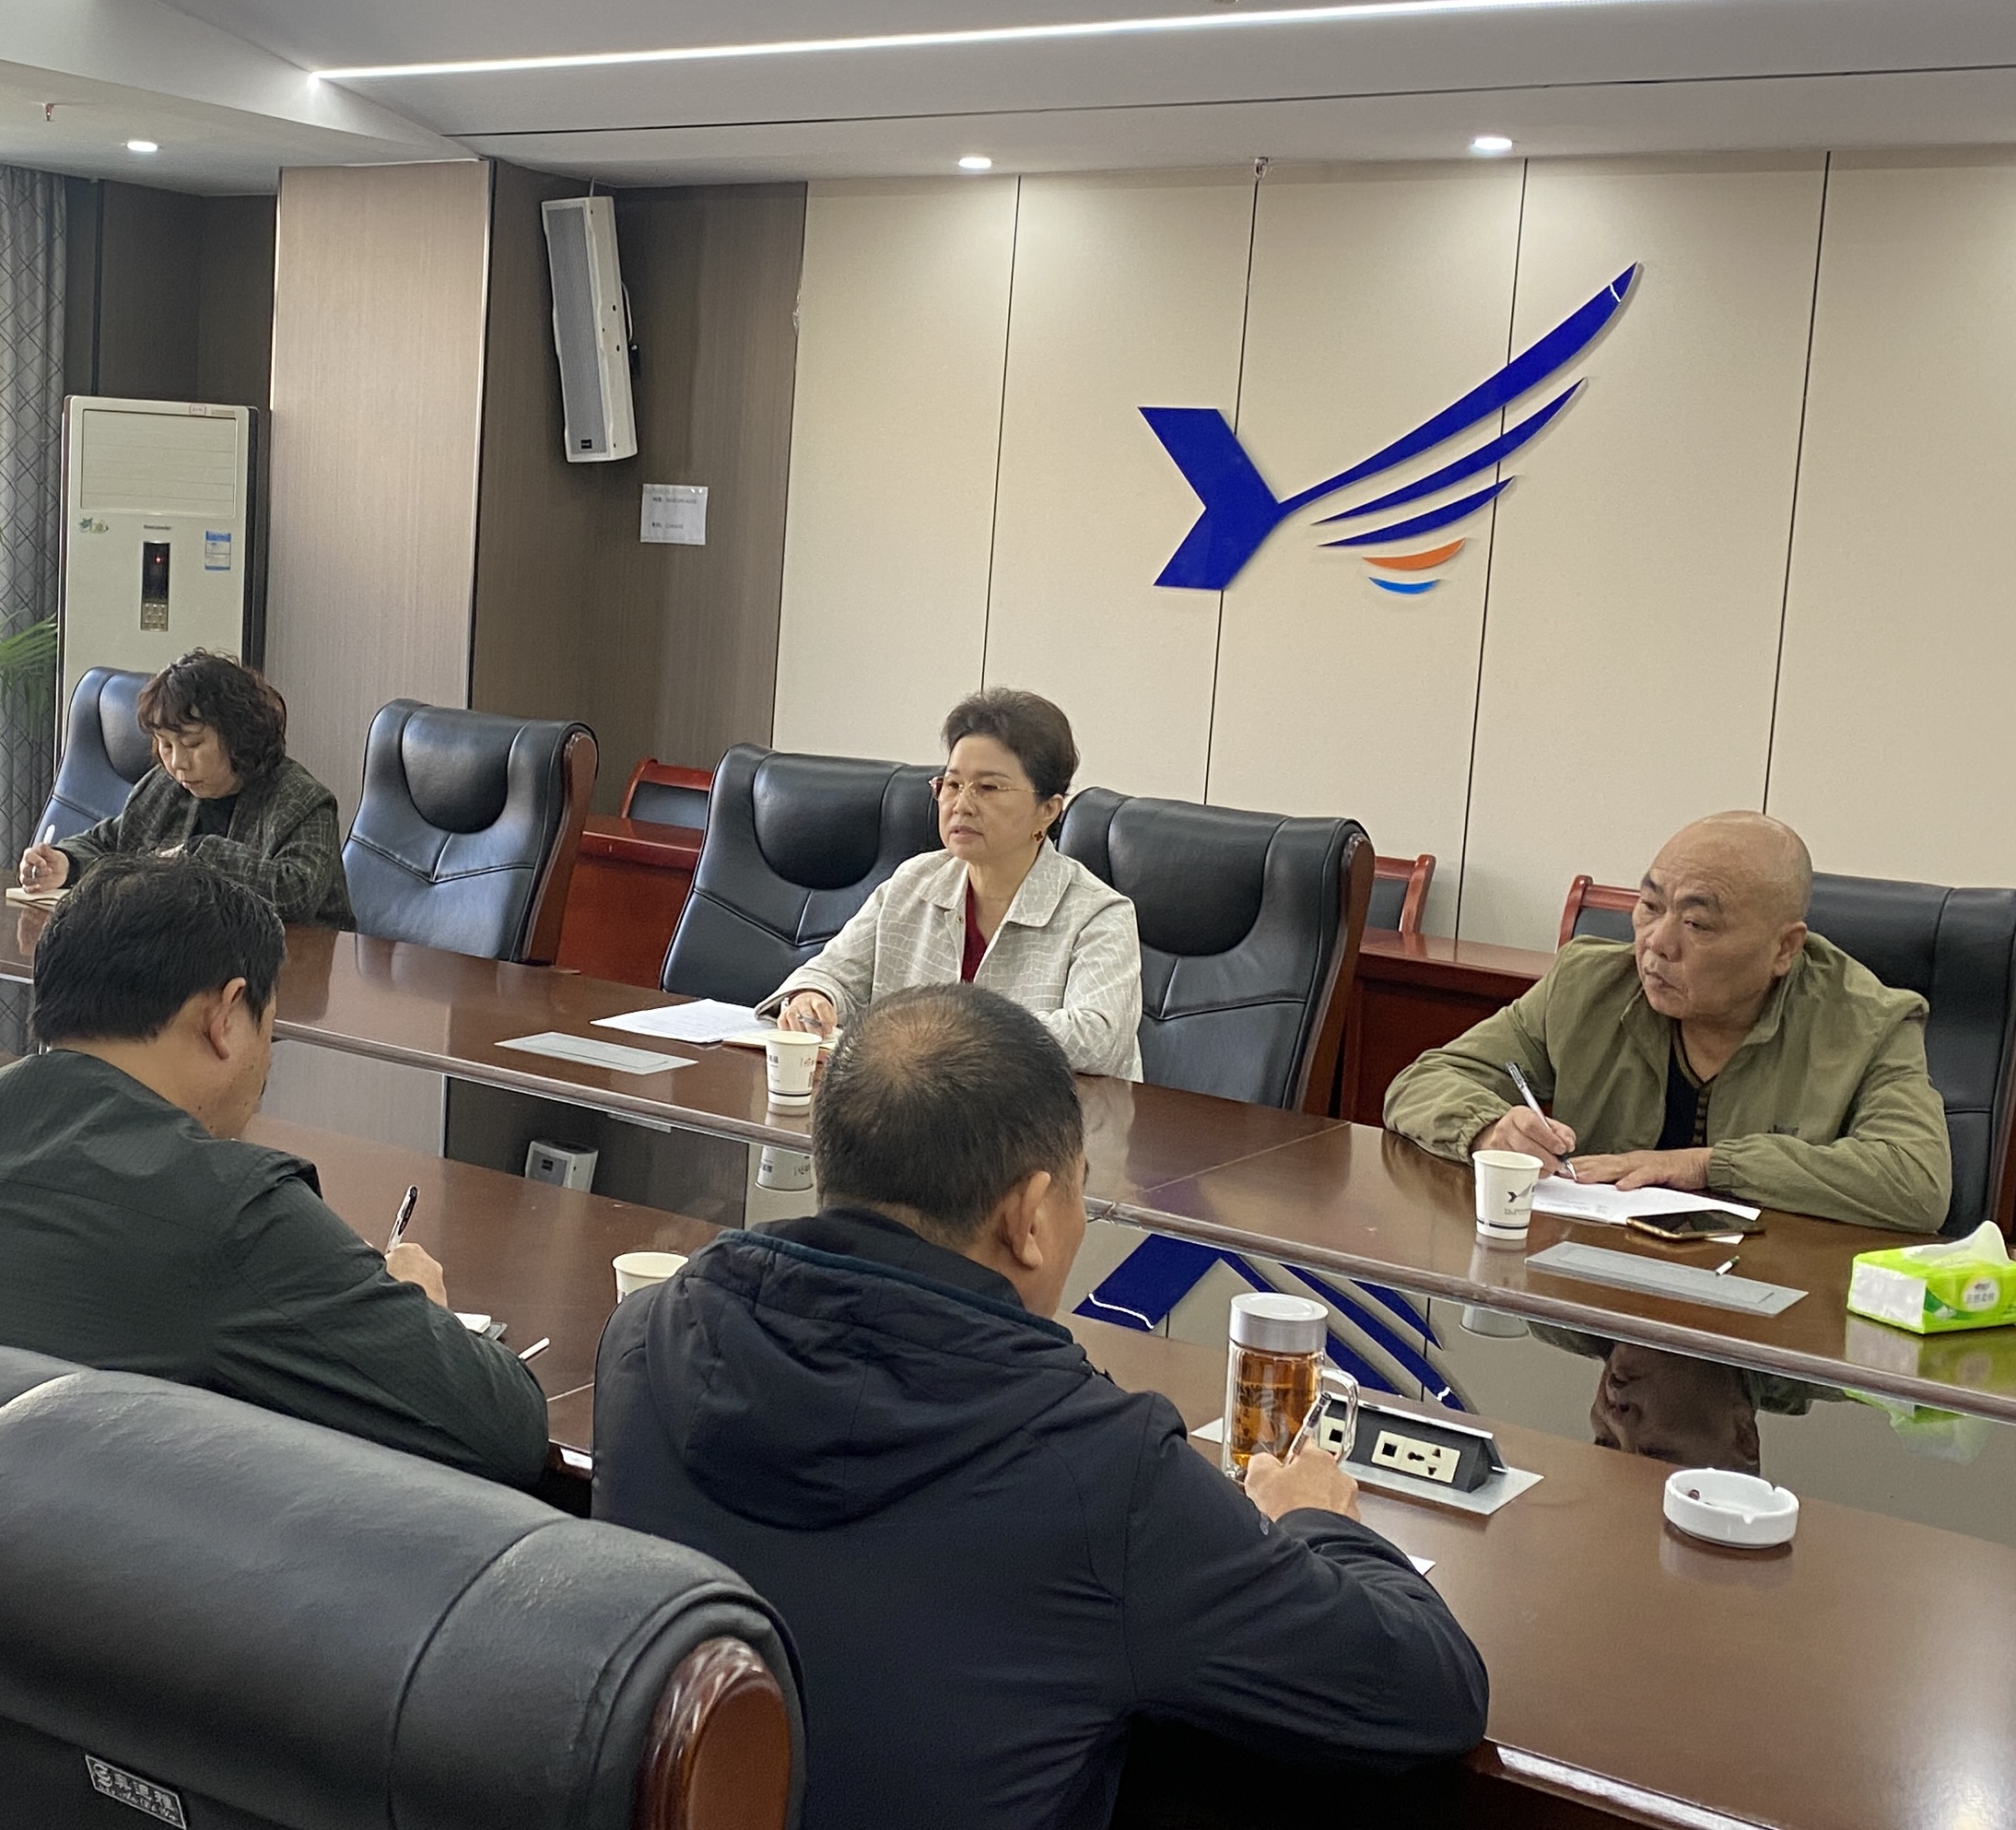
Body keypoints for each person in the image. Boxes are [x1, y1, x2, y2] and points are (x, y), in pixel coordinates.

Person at [0, 856, 544, 1828]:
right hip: (31, 1768)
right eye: (273, 1030)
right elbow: (502, 1428)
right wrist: (414, 1304)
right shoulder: (222, 1205)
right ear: (227, 1014)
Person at [598, 983, 1484, 1830]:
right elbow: (1429, 1690)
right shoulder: (1104, 1472)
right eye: (1079, 1193)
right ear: (1028, 1217)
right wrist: (1315, 1521)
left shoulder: (642, 1342)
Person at [1383, 812, 1948, 1470]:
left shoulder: (1868, 1022)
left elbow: (1916, 1181)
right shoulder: (1590, 985)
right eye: (1649, 906)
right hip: (1611, 1277)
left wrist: (1708, 1166)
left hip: (1780, 1307)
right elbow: (1424, 1081)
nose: (1656, 942)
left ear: (1784, 949)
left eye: (1698, 924)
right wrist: (1488, 1127)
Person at [768, 687, 1143, 1077]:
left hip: (1046, 1112)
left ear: (1047, 809)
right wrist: (813, 998)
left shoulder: (1098, 914)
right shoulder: (914, 882)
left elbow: (1097, 1040)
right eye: (951, 785)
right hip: (916, 1104)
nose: (961, 805)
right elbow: (831, 975)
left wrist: (946, 1031)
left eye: (988, 788)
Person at [16, 649, 351, 926]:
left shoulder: (302, 800)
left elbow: (295, 894)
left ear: (238, 737)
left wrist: (195, 856)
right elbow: (111, 844)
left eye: (192, 744)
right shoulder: (165, 786)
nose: (177, 762)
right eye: (165, 744)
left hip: (292, 966)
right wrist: (66, 863)